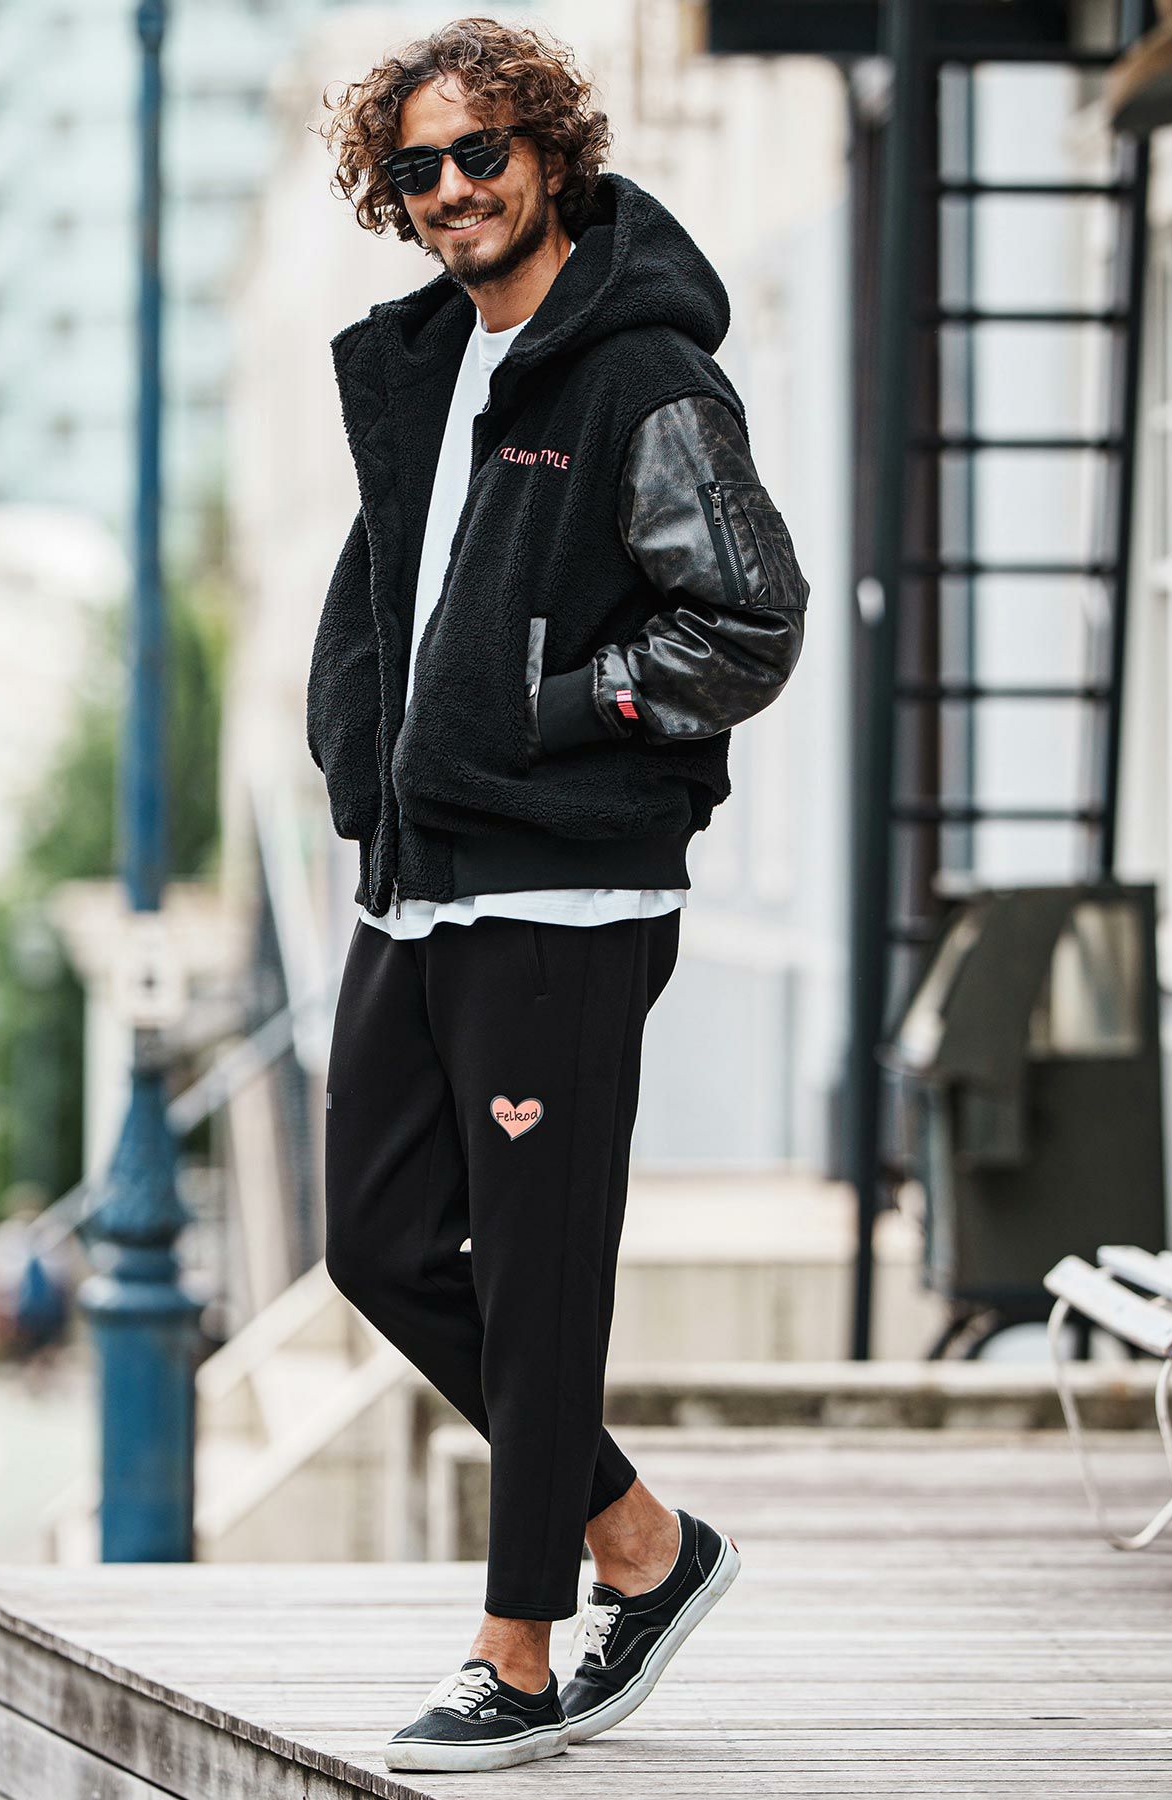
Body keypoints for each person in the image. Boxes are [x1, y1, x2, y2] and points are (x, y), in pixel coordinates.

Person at [308, 15, 808, 1774]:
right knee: (374, 1243)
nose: (452, 187)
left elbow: (748, 621)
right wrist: (360, 742)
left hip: (569, 889)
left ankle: (516, 1656)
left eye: (481, 152)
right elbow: (393, 588)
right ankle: (644, 1544)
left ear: (551, 153)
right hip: (420, 872)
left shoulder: (640, 375)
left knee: (537, 1280)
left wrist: (555, 707)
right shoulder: (428, 362)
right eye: (418, 166)